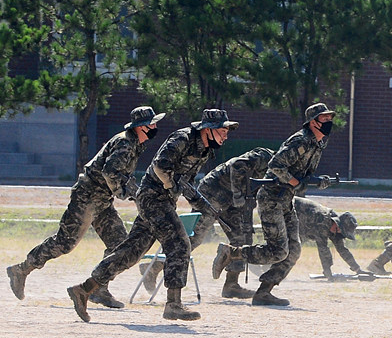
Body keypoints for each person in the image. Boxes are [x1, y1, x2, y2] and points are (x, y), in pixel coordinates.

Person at [67, 108, 238, 322]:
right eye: (222, 131)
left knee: (130, 252)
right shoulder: (183, 138)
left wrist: (196, 199)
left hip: (163, 200)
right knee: (179, 244)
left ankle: (84, 289)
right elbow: (160, 166)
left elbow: (185, 180)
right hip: (153, 198)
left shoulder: (204, 149)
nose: (225, 135)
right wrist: (172, 184)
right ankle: (173, 304)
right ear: (208, 130)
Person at [6, 106, 164, 308]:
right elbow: (110, 172)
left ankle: (99, 289)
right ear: (141, 127)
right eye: (152, 124)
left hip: (102, 200)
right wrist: (123, 193)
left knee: (120, 244)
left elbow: (120, 174)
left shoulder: (134, 143)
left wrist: (130, 191)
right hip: (87, 197)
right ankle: (21, 269)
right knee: (65, 243)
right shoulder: (125, 143)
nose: (155, 127)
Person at [212, 103, 336, 307]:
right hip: (272, 199)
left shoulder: (318, 143)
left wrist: (317, 180)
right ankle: (231, 253)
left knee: (293, 251)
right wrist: (296, 182)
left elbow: (301, 173)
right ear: (313, 122)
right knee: (278, 251)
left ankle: (263, 292)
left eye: (330, 118)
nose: (329, 122)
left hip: (286, 200)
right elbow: (276, 165)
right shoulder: (300, 141)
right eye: (324, 119)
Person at [140, 147, 275, 299]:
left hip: (231, 202)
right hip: (212, 193)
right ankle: (153, 268)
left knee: (240, 238)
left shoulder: (277, 172)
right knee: (193, 238)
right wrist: (239, 195)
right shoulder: (264, 156)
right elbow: (237, 166)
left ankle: (231, 285)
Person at [293, 196, 363, 279]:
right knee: (290, 250)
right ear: (336, 223)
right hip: (288, 210)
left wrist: (358, 270)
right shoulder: (323, 220)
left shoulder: (336, 229)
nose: (338, 233)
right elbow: (323, 248)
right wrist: (327, 271)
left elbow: (342, 249)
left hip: (299, 225)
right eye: (339, 230)